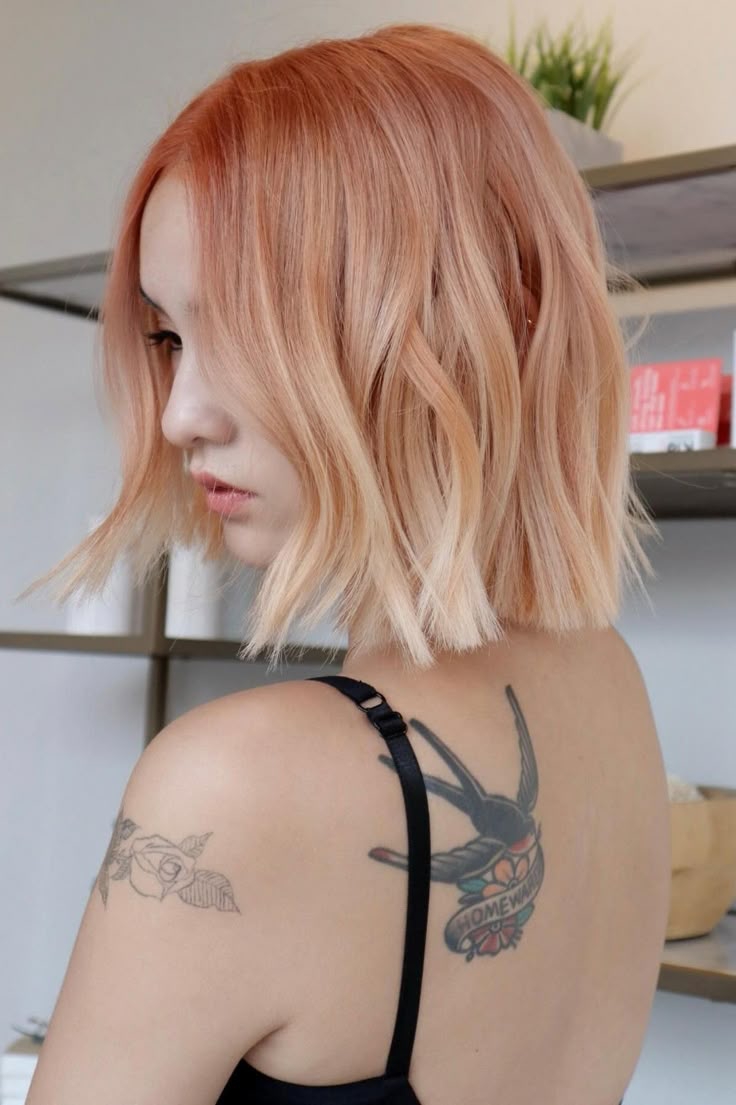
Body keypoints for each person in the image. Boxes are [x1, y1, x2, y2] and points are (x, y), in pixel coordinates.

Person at [21, 21, 670, 1105]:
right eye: (171, 338)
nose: (179, 415)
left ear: (449, 324)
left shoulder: (239, 780)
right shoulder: (608, 680)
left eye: (248, 328)